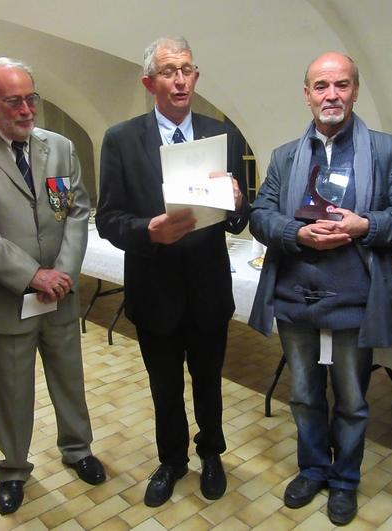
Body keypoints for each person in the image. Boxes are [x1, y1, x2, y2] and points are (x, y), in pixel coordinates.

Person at [248, 52, 392, 526]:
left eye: (341, 85)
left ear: (356, 90)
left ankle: (345, 479)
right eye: (321, 86)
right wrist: (295, 233)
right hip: (295, 299)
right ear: (307, 94)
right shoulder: (285, 156)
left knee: (351, 399)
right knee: (304, 395)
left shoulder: (390, 151)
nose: (332, 95)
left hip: (354, 301)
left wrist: (367, 224)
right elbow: (260, 215)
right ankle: (312, 469)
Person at [0, 57, 105, 516]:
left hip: (60, 294)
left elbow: (74, 211)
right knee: (12, 390)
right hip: (7, 299)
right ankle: (13, 469)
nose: (27, 110)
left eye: (31, 98)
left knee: (70, 379)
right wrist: (32, 276)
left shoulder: (60, 147)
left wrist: (64, 274)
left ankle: (78, 449)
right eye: (14, 101)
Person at [96, 36, 249, 507]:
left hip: (207, 286)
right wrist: (149, 231)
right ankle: (172, 461)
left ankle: (211, 454)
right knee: (164, 386)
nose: (179, 79)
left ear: (196, 77)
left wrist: (240, 204)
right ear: (150, 82)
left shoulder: (220, 135)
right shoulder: (122, 139)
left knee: (209, 381)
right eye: (168, 71)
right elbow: (109, 219)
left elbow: (239, 214)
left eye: (186, 69)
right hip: (154, 286)